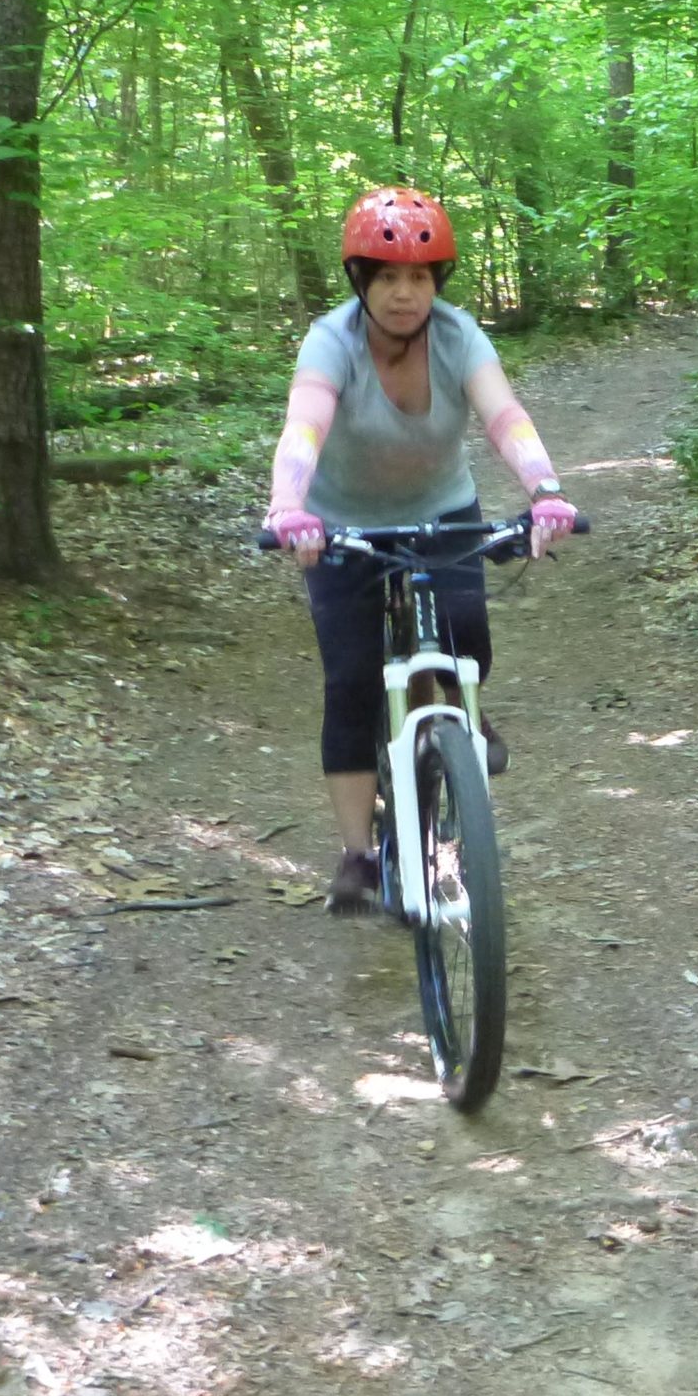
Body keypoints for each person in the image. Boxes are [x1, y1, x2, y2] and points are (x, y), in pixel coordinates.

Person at [263, 186, 577, 914]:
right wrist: (288, 507)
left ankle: (457, 722)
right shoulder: (330, 340)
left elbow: (504, 415)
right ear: (361, 283)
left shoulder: (460, 336)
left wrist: (545, 489)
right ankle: (359, 855)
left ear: (438, 283)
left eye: (420, 278)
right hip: (341, 522)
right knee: (350, 682)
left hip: (440, 510)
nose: (406, 294)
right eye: (388, 278)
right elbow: (305, 425)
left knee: (466, 631)